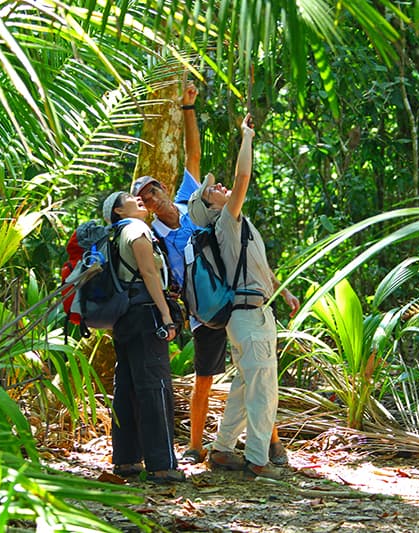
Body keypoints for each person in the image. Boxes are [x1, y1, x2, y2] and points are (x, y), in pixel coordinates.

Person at [130, 84, 295, 466]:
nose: (154, 197)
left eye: (155, 189)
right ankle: (197, 445)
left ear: (166, 189)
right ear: (145, 207)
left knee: (252, 374)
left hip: (235, 293)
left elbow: (194, 153)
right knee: (212, 375)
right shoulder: (154, 236)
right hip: (204, 307)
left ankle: (269, 442)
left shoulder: (194, 203)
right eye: (146, 197)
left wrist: (188, 106)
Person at [187, 114, 299, 479]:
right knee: (263, 391)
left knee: (243, 388)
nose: (218, 187)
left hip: (251, 314)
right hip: (249, 318)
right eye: (211, 190)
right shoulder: (225, 222)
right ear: (210, 207)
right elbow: (243, 178)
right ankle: (257, 460)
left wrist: (284, 292)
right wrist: (246, 137)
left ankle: (221, 451)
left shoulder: (236, 227)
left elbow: (255, 266)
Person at [102, 190, 185, 483]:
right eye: (127, 198)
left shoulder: (113, 237)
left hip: (125, 317)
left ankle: (126, 460)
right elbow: (149, 273)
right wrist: (165, 314)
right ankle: (162, 465)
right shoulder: (136, 229)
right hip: (145, 312)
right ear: (118, 212)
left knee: (126, 386)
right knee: (155, 385)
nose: (137, 198)